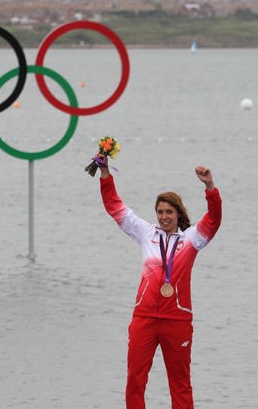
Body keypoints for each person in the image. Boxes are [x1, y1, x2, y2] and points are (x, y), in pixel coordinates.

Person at [95, 155, 222, 409]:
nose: (164, 216)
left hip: (177, 321)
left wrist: (210, 188)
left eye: (169, 212)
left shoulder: (191, 239)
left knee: (180, 383)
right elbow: (114, 206)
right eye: (160, 212)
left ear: (178, 214)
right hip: (144, 319)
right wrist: (106, 173)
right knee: (135, 380)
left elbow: (214, 219)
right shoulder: (145, 233)